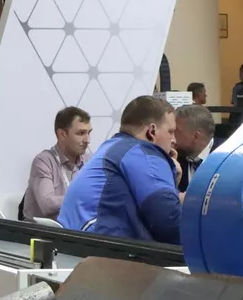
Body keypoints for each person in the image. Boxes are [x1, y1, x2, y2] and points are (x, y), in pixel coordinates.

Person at [57, 96, 182, 243]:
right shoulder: (142, 152)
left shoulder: (112, 148)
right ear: (151, 132)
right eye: (170, 132)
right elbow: (169, 221)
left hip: (78, 246)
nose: (174, 140)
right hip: (100, 249)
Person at [21, 105, 91, 221]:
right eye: (81, 133)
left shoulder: (89, 161)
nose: (87, 140)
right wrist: (82, 197)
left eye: (89, 133)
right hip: (41, 230)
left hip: (74, 228)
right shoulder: (44, 161)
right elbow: (47, 205)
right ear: (62, 134)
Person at [172, 104, 215, 193]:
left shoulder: (228, 159)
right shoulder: (174, 158)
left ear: (196, 136)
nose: (171, 138)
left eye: (175, 131)